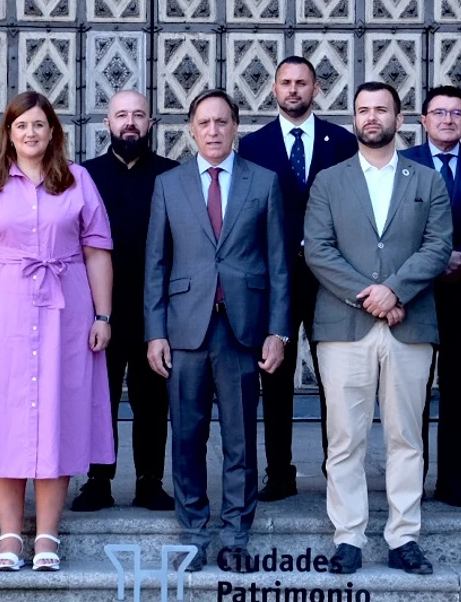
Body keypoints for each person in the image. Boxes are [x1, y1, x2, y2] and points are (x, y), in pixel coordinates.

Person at [0, 91, 116, 572]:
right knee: (4, 416)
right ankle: (8, 535)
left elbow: (97, 251)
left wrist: (103, 316)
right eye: (22, 126)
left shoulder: (78, 180)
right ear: (9, 132)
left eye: (40, 125)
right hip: (1, 311)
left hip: (67, 311)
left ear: (53, 131)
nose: (31, 133)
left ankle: (46, 535)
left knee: (56, 415)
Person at [303, 81, 452, 576]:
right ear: (353, 120)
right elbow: (317, 250)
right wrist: (371, 294)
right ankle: (348, 536)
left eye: (381, 110)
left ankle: (403, 536)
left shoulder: (427, 180)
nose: (372, 118)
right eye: (363, 110)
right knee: (344, 437)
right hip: (344, 325)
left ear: (399, 118)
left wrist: (396, 291)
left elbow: (437, 247)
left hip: (409, 324)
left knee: (406, 435)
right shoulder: (329, 180)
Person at [144, 89, 290, 570]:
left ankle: (235, 534)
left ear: (236, 127)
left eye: (222, 122)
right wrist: (155, 331)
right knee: (186, 435)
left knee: (239, 437)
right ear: (191, 129)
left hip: (241, 329)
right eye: (204, 123)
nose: (213, 131)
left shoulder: (263, 182)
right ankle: (192, 531)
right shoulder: (169, 184)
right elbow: (156, 264)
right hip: (185, 329)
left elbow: (278, 264)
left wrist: (278, 331)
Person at [238, 55, 357, 500]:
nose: (293, 90)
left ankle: (337, 472)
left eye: (302, 83)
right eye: (286, 83)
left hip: (332, 281)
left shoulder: (341, 142)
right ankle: (279, 472)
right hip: (274, 280)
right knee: (276, 377)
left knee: (335, 379)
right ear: (273, 89)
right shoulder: (253, 146)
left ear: (316, 90)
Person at [78, 90, 179, 513]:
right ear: (107, 123)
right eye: (122, 115)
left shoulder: (173, 176)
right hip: (96, 308)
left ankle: (149, 482)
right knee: (97, 398)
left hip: (155, 308)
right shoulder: (84, 176)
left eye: (138, 115)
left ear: (151, 122)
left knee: (152, 399)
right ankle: (98, 479)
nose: (130, 123)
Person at [400, 84, 461, 507]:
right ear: (423, 121)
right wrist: (435, 261)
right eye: (438, 113)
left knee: (458, 390)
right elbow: (397, 228)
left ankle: (452, 482)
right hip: (418, 294)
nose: (447, 120)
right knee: (414, 392)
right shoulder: (404, 164)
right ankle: (411, 481)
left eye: (456, 113)